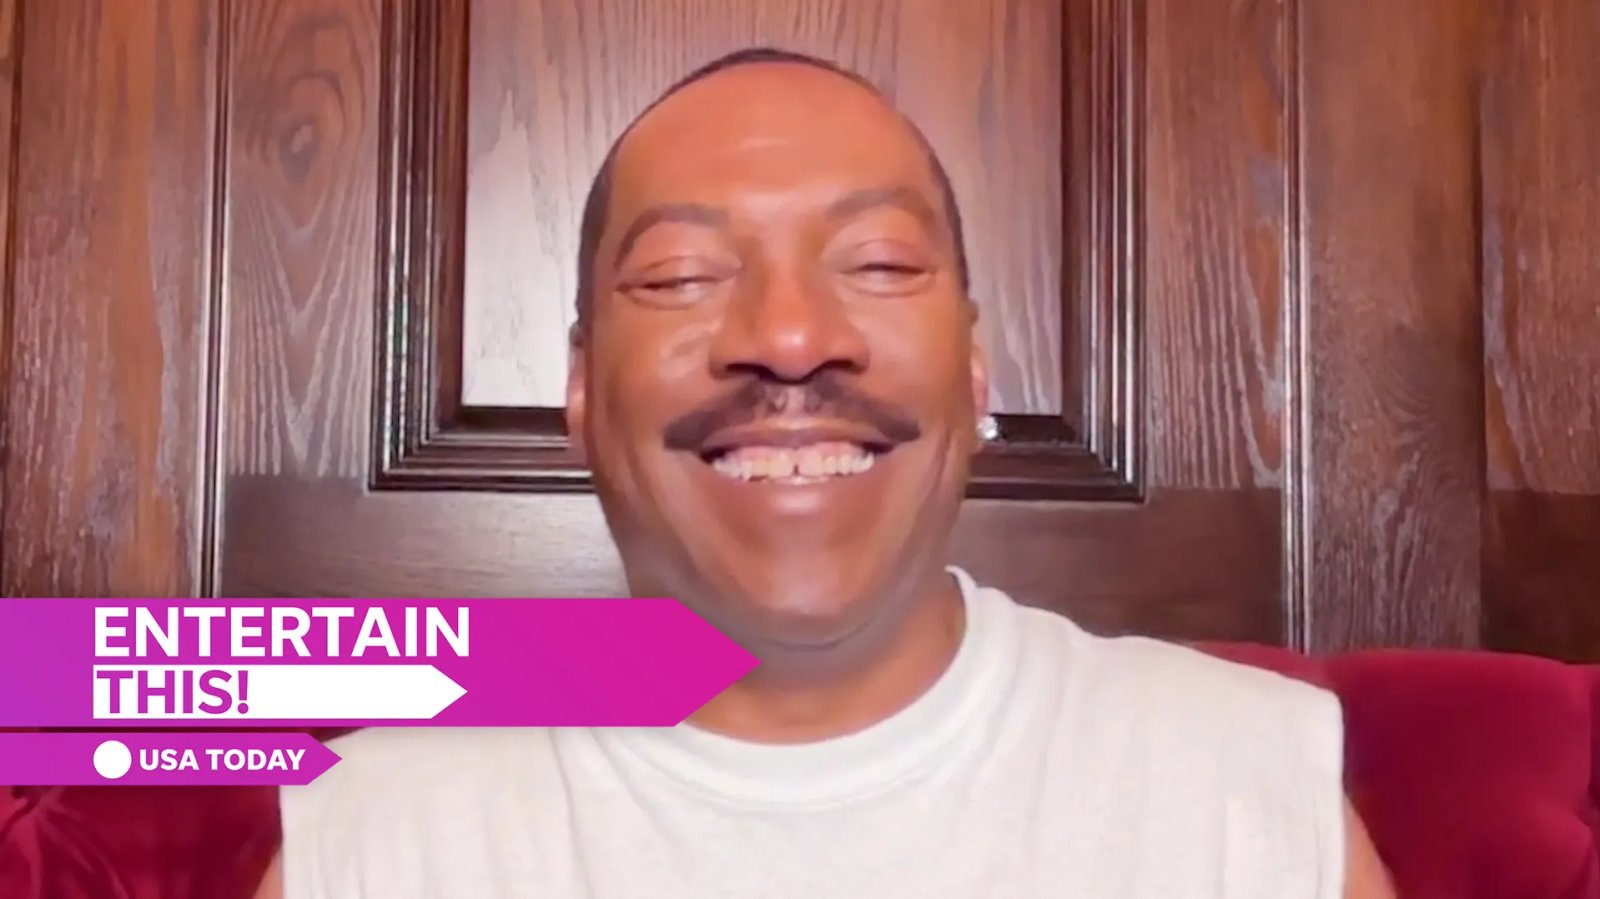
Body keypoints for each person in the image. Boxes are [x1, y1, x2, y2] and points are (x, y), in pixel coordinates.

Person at [258, 48, 1395, 898]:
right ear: (581, 389)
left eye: (880, 261)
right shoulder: (369, 831)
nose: (792, 337)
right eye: (681, 274)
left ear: (974, 363)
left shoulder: (1248, 783)